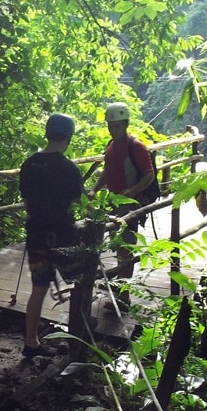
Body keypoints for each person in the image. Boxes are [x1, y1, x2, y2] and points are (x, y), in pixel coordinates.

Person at [19, 113, 84, 359]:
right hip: (64, 237)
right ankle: (80, 337)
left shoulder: (29, 164)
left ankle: (31, 342)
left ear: (47, 134)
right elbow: (78, 203)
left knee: (39, 288)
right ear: (68, 138)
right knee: (81, 280)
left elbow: (27, 202)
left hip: (36, 234)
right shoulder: (69, 169)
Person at [87, 102, 155, 311]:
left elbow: (149, 174)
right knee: (118, 245)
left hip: (131, 204)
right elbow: (107, 171)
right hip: (115, 202)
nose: (113, 130)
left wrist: (133, 190)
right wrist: (95, 189)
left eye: (117, 126)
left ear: (125, 125)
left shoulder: (136, 147)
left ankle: (124, 297)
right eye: (110, 125)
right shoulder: (111, 146)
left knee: (126, 247)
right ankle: (119, 285)